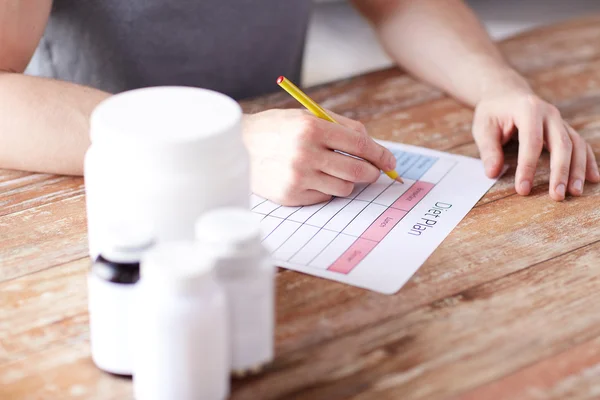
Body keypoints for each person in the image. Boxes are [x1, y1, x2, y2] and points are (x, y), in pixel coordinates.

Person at [1, 0, 598, 206]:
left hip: (289, 184)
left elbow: (399, 5)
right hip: (93, 191)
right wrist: (223, 144)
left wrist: (496, 85)